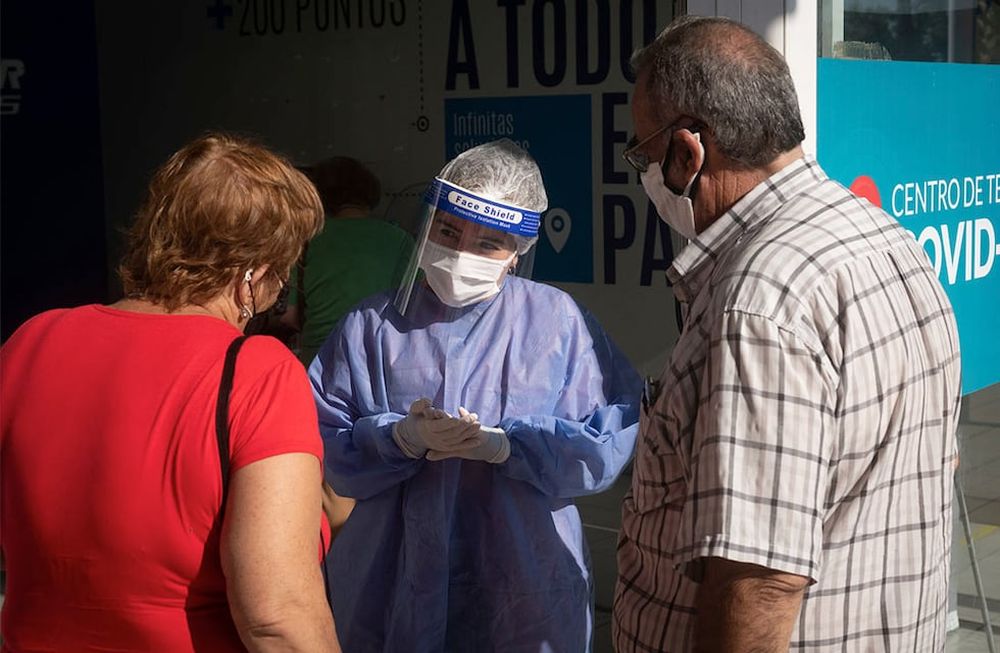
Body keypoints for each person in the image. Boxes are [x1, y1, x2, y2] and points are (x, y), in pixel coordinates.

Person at [613, 16, 961, 653]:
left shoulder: (759, 302)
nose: (643, 173)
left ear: (688, 154)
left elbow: (760, 580)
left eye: (642, 153)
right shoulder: (889, 241)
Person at [0, 133, 341, 652]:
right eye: (284, 269)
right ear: (254, 274)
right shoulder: (257, 370)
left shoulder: (32, 339)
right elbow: (278, 616)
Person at [310, 139, 641, 652]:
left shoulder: (558, 324)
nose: (461, 253)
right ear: (426, 225)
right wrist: (396, 437)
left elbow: (602, 443)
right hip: (390, 581)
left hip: (523, 586)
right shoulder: (371, 326)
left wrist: (508, 447)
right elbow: (324, 437)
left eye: (489, 243)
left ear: (518, 253)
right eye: (447, 230)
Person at [284, 156, 414, 365]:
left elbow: (288, 315)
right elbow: (414, 305)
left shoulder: (305, 242)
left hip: (319, 359)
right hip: (379, 359)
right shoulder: (399, 239)